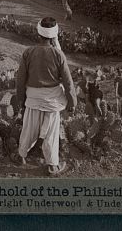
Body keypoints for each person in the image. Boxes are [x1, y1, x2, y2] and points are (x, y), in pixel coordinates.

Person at [15, 17, 76, 176]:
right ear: (55, 35)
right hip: (52, 100)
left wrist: (20, 100)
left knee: (28, 129)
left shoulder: (28, 52)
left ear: (38, 33)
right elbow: (68, 82)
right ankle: (53, 166)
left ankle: (21, 156)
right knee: (51, 134)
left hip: (33, 98)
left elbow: (20, 80)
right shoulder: (58, 54)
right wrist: (72, 102)